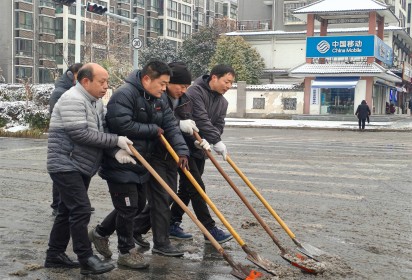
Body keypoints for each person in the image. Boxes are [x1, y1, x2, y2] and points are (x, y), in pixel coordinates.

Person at [88, 60, 190, 269]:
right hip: (121, 159)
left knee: (133, 205)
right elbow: (121, 124)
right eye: (161, 83)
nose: (164, 89)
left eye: (166, 84)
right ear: (146, 79)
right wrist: (152, 129)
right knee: (128, 207)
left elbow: (169, 124)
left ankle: (100, 232)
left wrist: (181, 150)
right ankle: (126, 252)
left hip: (141, 161)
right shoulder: (125, 94)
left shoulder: (157, 98)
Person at [45, 63, 133, 275]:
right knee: (81, 210)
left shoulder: (95, 103)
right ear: (85, 81)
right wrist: (116, 140)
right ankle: (86, 259)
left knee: (67, 211)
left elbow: (100, 134)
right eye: (102, 82)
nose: (106, 86)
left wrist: (115, 151)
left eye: (107, 82)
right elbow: (81, 134)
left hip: (79, 165)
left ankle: (55, 255)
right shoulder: (72, 99)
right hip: (65, 164)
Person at [133, 62, 210, 256]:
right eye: (180, 86)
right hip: (155, 153)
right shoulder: (157, 96)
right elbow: (157, 122)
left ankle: (134, 229)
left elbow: (177, 128)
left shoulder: (184, 99)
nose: (184, 90)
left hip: (173, 154)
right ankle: (160, 242)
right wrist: (178, 124)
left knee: (167, 196)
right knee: (160, 197)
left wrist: (191, 146)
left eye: (187, 87)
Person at [169, 64, 236, 244]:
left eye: (231, 83)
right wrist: (215, 140)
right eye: (226, 81)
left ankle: (171, 221)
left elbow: (218, 124)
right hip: (185, 148)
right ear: (214, 77)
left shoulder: (223, 101)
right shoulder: (194, 92)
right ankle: (209, 229)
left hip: (201, 149)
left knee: (187, 188)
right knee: (197, 187)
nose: (229, 86)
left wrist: (213, 140)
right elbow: (200, 119)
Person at [48, 63, 97, 217]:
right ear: (74, 74)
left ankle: (69, 205)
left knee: (73, 202)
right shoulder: (62, 92)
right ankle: (57, 204)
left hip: (76, 148)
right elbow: (57, 117)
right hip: (65, 145)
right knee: (63, 176)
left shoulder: (78, 92)